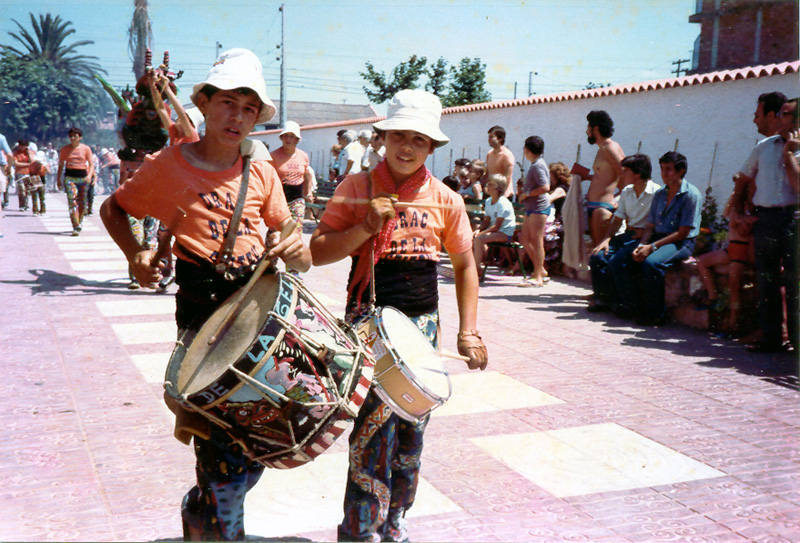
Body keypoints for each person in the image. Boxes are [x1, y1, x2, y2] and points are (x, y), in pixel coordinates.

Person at [100, 48, 311, 541]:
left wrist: (294, 244)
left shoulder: (261, 172)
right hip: (201, 317)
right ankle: (220, 529)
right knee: (220, 443)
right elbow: (114, 209)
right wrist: (136, 255)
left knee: (258, 442)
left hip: (258, 317)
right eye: (228, 103)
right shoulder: (169, 164)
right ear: (207, 102)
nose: (237, 117)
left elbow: (296, 251)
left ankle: (201, 508)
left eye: (249, 108)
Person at [309, 89, 488, 542]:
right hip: (368, 323)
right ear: (381, 138)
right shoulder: (356, 189)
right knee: (371, 432)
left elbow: (466, 265)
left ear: (432, 147)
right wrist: (366, 226)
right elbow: (319, 251)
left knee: (411, 431)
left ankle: (395, 520)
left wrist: (468, 331)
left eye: (420, 140)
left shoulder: (446, 199)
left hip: (423, 328)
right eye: (399, 137)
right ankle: (360, 530)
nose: (407, 147)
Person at [732, 96, 799, 353]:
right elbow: (743, 179)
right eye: (779, 113)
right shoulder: (763, 146)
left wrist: (790, 152)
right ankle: (772, 338)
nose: (778, 118)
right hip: (766, 219)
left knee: (794, 283)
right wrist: (738, 211)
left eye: (785, 114)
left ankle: (796, 341)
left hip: (793, 218)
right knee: (766, 280)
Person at [609, 151, 701, 325]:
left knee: (652, 263)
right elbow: (650, 225)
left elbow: (683, 232)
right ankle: (631, 306)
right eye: (662, 169)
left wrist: (651, 247)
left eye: (669, 169)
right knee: (621, 260)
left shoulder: (691, 195)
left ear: (680, 171)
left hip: (680, 242)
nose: (664, 174)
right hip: (658, 238)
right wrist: (642, 244)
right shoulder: (660, 194)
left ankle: (656, 313)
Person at [588, 154, 660, 312]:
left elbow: (660, 221)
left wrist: (645, 233)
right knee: (597, 256)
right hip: (628, 234)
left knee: (617, 261)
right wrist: (606, 239)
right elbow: (618, 219)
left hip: (645, 238)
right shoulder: (627, 191)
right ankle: (603, 299)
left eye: (626, 171)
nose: (622, 174)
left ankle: (628, 304)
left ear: (638, 173)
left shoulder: (657, 193)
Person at [694, 188, 755, 338]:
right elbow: (726, 213)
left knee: (734, 290)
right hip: (731, 250)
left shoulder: (751, 210)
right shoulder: (738, 207)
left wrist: (739, 219)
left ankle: (733, 325)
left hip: (740, 253)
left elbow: (743, 231)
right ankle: (712, 296)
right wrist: (734, 194)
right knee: (702, 262)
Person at [572, 110, 625, 246]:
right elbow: (605, 176)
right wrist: (587, 177)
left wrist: (620, 198)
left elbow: (625, 174)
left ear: (595, 128)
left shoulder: (610, 148)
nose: (586, 132)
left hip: (603, 207)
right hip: (594, 205)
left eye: (588, 127)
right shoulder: (602, 149)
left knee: (600, 251)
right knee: (597, 249)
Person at [517, 136, 550, 287]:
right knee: (525, 238)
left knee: (536, 242)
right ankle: (541, 269)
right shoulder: (537, 164)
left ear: (528, 150)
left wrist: (526, 194)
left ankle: (537, 276)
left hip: (538, 208)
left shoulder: (537, 166)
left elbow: (545, 187)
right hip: (532, 209)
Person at [473, 174, 516, 282]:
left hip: (505, 233)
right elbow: (486, 221)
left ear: (498, 187)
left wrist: (481, 234)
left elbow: (497, 226)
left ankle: (476, 269)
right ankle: (479, 265)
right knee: (473, 237)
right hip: (495, 231)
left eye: (490, 184)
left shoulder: (503, 203)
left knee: (479, 239)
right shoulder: (488, 201)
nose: (487, 186)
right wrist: (478, 230)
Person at [270, 120, 312, 229]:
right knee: (276, 231)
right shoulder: (273, 156)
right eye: (286, 136)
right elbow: (268, 178)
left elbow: (307, 176)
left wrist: (308, 194)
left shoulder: (303, 156)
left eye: (292, 136)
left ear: (297, 140)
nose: (288, 139)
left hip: (297, 198)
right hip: (279, 198)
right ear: (282, 137)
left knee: (295, 229)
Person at [57, 127, 95, 236]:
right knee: (72, 201)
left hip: (83, 177)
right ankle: (75, 225)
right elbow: (60, 165)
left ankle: (80, 220)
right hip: (69, 177)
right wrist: (58, 180)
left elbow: (91, 164)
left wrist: (89, 176)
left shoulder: (86, 149)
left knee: (82, 201)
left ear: (80, 137)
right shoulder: (64, 149)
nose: (72, 138)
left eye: (75, 136)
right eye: (71, 136)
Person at [486, 125, 516, 199]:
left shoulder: (507, 155)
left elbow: (507, 177)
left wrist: (498, 192)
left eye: (491, 137)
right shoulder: (490, 154)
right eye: (489, 137)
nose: (489, 139)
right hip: (492, 194)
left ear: (500, 139)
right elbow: (488, 174)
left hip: (504, 195)